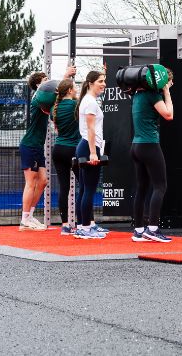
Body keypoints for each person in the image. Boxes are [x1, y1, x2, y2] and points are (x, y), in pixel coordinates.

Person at [20, 65, 75, 231]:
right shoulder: (38, 98)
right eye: (45, 80)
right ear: (38, 85)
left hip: (36, 145)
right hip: (29, 145)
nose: (49, 83)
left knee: (43, 181)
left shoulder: (47, 101)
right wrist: (65, 75)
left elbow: (59, 95)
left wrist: (67, 79)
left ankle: (29, 215)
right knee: (31, 182)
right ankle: (24, 220)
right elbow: (57, 91)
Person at [130, 69, 174, 242]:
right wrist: (167, 92)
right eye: (169, 82)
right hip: (149, 145)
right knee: (160, 186)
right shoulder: (152, 96)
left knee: (141, 188)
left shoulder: (137, 95)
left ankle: (139, 231)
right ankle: (153, 229)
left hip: (136, 146)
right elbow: (168, 114)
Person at [75, 70, 108, 239]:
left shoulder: (90, 101)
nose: (103, 84)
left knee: (85, 190)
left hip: (87, 147)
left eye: (104, 81)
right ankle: (85, 228)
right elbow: (90, 129)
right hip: (89, 147)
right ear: (90, 83)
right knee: (88, 189)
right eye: (100, 81)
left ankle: (82, 226)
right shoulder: (90, 102)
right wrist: (94, 153)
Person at [50, 79, 80, 235]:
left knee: (64, 188)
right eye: (75, 87)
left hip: (58, 150)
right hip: (73, 149)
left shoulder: (55, 108)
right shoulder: (76, 105)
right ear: (69, 90)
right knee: (85, 185)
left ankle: (65, 225)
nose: (77, 89)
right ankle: (85, 223)